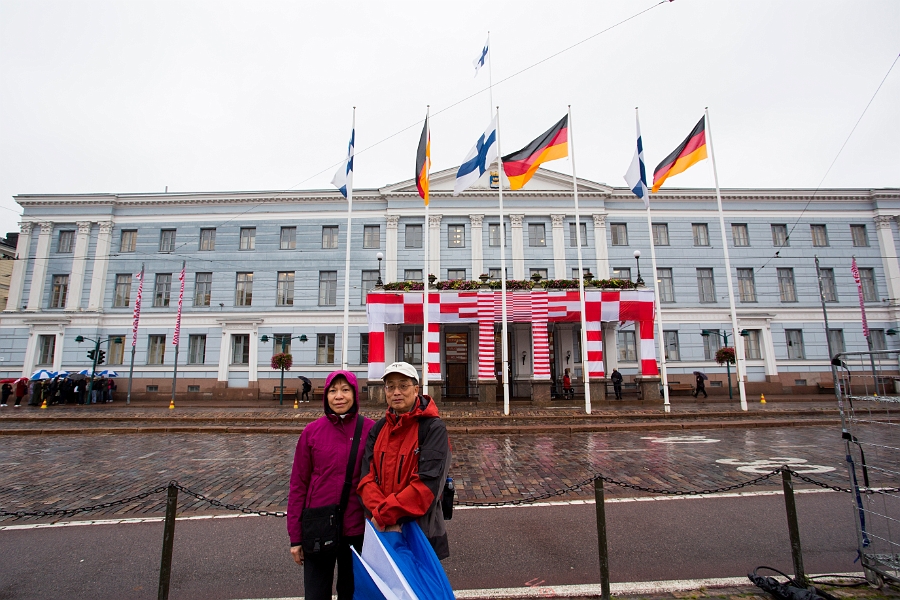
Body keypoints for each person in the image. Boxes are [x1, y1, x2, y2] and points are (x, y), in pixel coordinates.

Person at [287, 370, 374, 600]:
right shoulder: (311, 432)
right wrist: (296, 537)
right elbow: (298, 485)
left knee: (352, 593)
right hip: (318, 527)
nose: (339, 396)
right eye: (333, 391)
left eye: (345, 390)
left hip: (357, 529)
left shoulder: (370, 430)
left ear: (354, 394)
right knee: (316, 594)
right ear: (326, 396)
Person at [358, 361, 452, 560]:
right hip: (382, 530)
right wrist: (383, 517)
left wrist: (385, 515)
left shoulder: (433, 428)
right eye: (390, 386)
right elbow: (366, 479)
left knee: (419, 581)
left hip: (420, 533)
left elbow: (426, 487)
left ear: (416, 389)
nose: (396, 392)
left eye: (403, 385)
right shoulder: (378, 429)